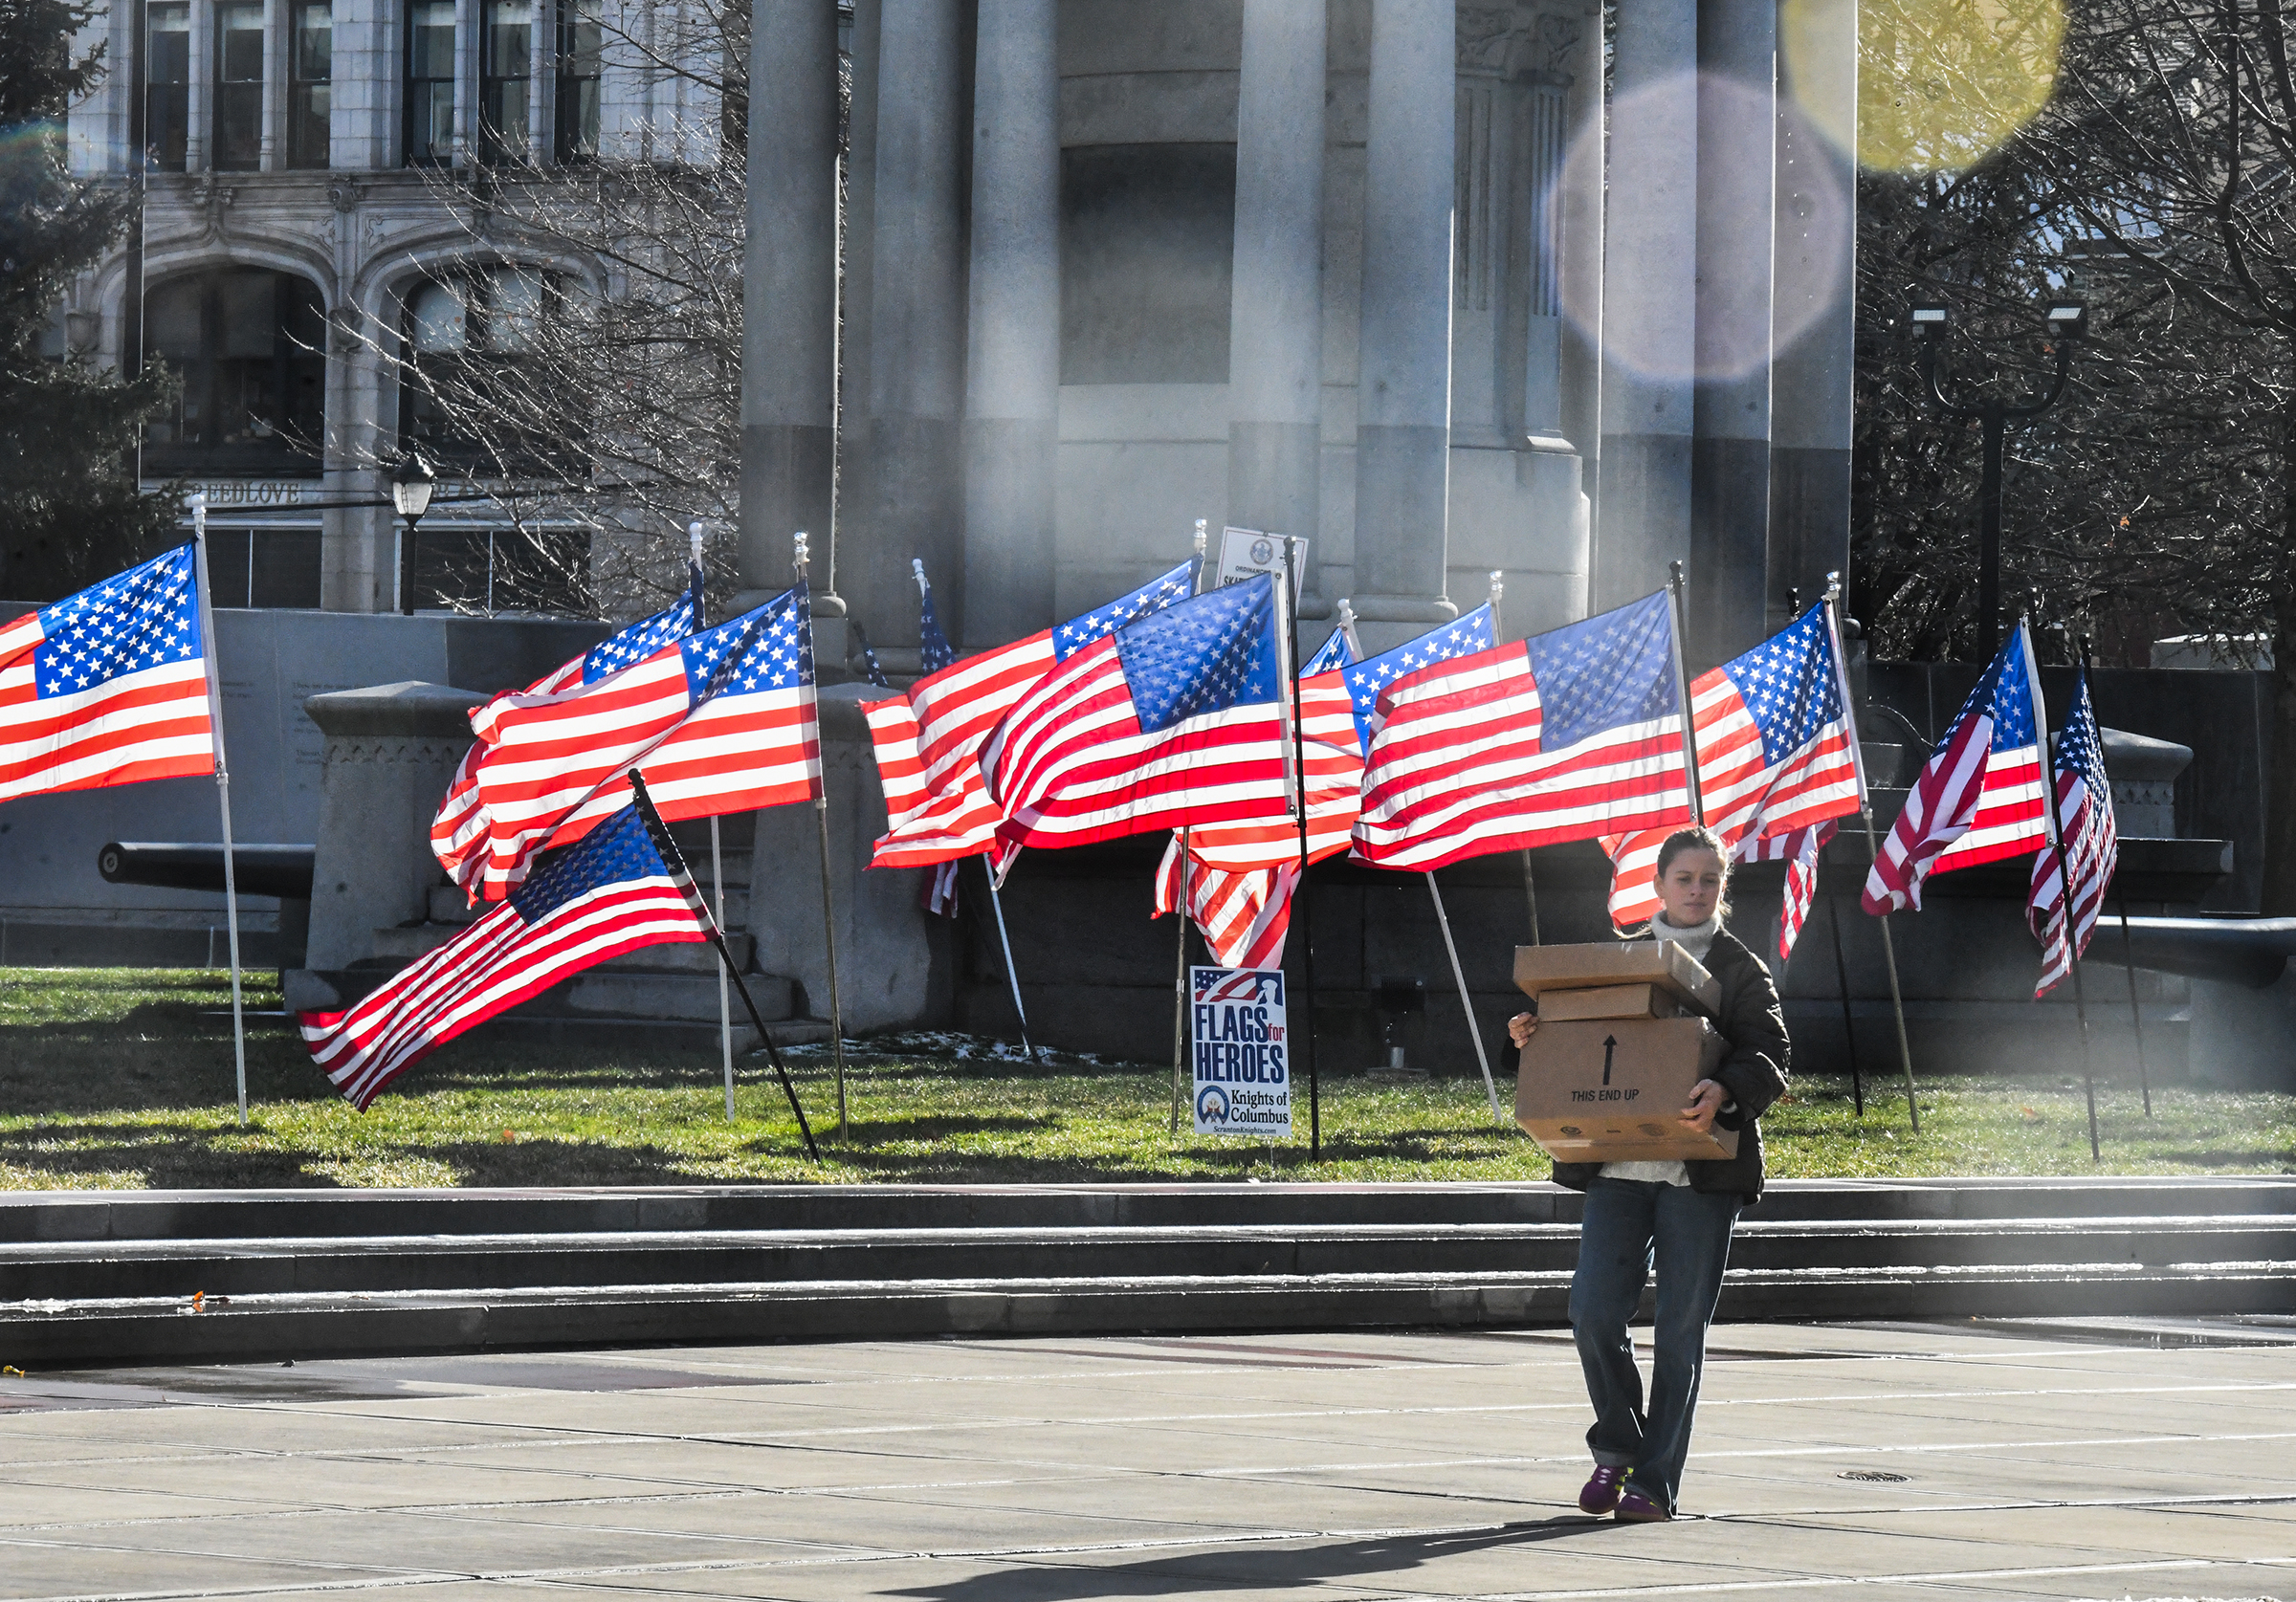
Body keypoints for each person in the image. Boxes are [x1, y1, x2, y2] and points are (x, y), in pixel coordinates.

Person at [1506, 824, 1789, 1524]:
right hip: (1620, 1168)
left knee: (1680, 1331)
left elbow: (1772, 1051)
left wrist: (1725, 1089)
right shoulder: (1623, 957)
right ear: (1658, 884)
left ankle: (1654, 1481)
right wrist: (1532, 1034)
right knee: (1592, 1312)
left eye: (1709, 880)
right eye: (1684, 878)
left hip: (1701, 1175)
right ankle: (1620, 1444)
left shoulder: (1740, 967)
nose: (1696, 891)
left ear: (1722, 889)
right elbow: (1580, 1033)